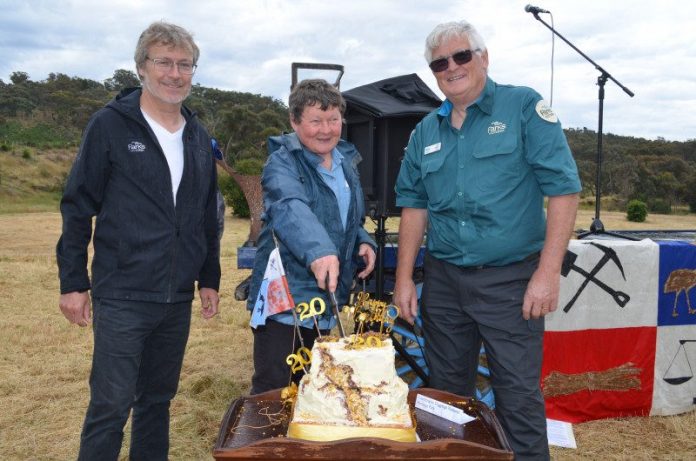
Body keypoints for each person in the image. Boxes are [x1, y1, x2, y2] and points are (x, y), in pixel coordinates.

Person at [393, 20, 581, 460]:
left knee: (517, 398)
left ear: (484, 57)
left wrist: (548, 272)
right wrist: (404, 278)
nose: (451, 68)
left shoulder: (522, 107)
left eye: (461, 56)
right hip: (443, 283)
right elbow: (413, 206)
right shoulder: (426, 131)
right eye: (440, 63)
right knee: (447, 399)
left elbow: (564, 189)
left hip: (511, 282)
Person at [56, 21, 220, 461]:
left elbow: (207, 213)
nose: (175, 73)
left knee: (157, 402)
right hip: (122, 292)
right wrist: (72, 281)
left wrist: (209, 278)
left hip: (175, 298)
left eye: (185, 64)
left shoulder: (198, 136)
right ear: (141, 68)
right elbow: (77, 205)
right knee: (111, 405)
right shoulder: (110, 125)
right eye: (164, 62)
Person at [247, 79, 376, 394]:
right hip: (286, 297)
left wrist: (363, 238)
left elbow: (343, 215)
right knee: (275, 389)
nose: (326, 129)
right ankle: (268, 444)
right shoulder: (281, 162)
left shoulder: (346, 161)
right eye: (315, 121)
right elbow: (291, 207)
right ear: (294, 121)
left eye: (333, 120)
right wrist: (319, 251)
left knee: (315, 388)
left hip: (327, 297)